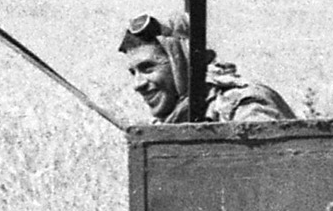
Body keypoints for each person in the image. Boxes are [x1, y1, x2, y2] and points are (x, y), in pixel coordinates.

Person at [116, 10, 294, 125]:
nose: (137, 84)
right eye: (133, 73)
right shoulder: (168, 121)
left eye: (148, 68)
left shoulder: (244, 107)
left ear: (181, 63)